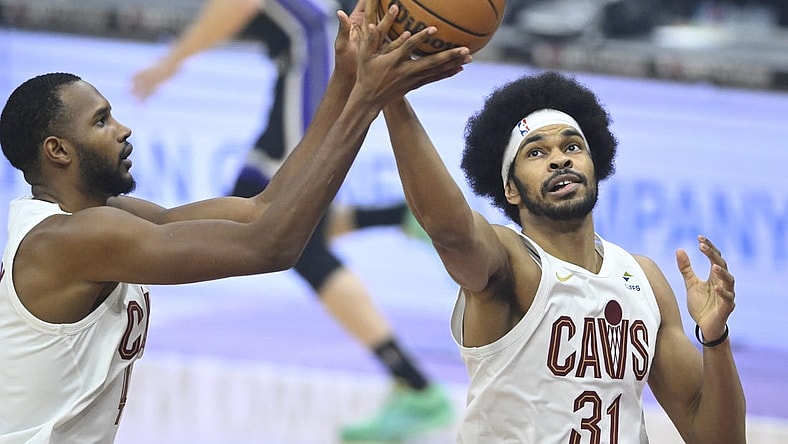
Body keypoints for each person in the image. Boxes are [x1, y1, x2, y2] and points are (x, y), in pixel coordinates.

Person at [0, 2, 472, 441]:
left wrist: (346, 81)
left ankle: (391, 221)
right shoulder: (69, 239)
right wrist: (368, 102)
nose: (123, 130)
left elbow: (260, 210)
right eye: (101, 122)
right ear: (58, 150)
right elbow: (269, 247)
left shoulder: (103, 216)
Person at [130, 0, 453, 441]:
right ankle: (396, 216)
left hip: (313, 54)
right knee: (266, 214)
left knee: (286, 234)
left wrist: (170, 63)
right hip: (301, 62)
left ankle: (415, 387)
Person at [380, 70, 746, 442]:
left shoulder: (643, 278)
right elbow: (451, 231)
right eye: (536, 152)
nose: (560, 160)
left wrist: (715, 338)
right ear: (511, 189)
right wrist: (393, 100)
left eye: (572, 147)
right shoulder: (511, 260)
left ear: (594, 165)